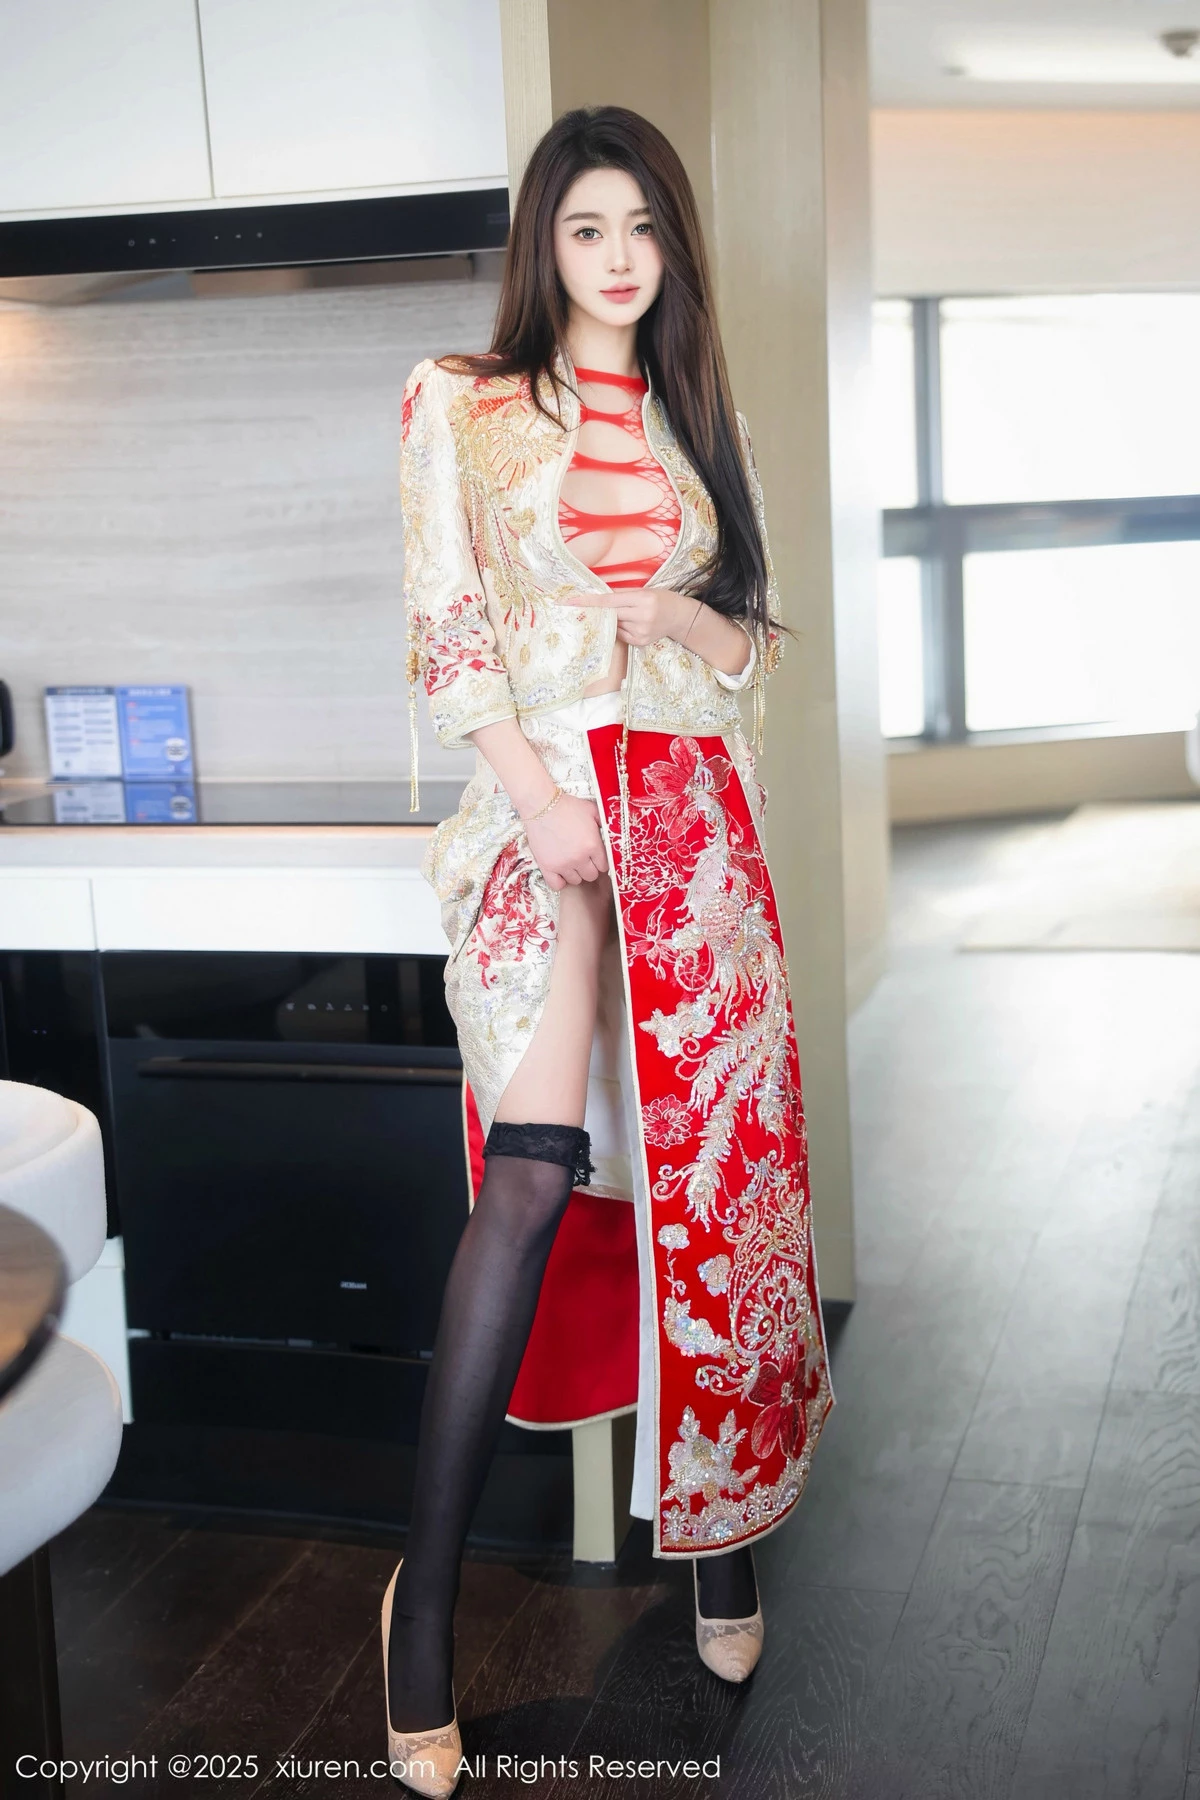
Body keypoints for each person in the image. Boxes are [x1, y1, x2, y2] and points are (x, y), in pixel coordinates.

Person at [383, 105, 834, 1797]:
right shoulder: (461, 402)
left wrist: (689, 618)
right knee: (532, 1178)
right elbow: (448, 634)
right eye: (587, 228)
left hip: (691, 831)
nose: (620, 257)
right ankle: (423, 1613)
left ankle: (717, 1547)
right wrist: (539, 800)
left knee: (702, 1203)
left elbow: (751, 655)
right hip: (544, 816)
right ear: (544, 245)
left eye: (643, 225)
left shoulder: (707, 416)